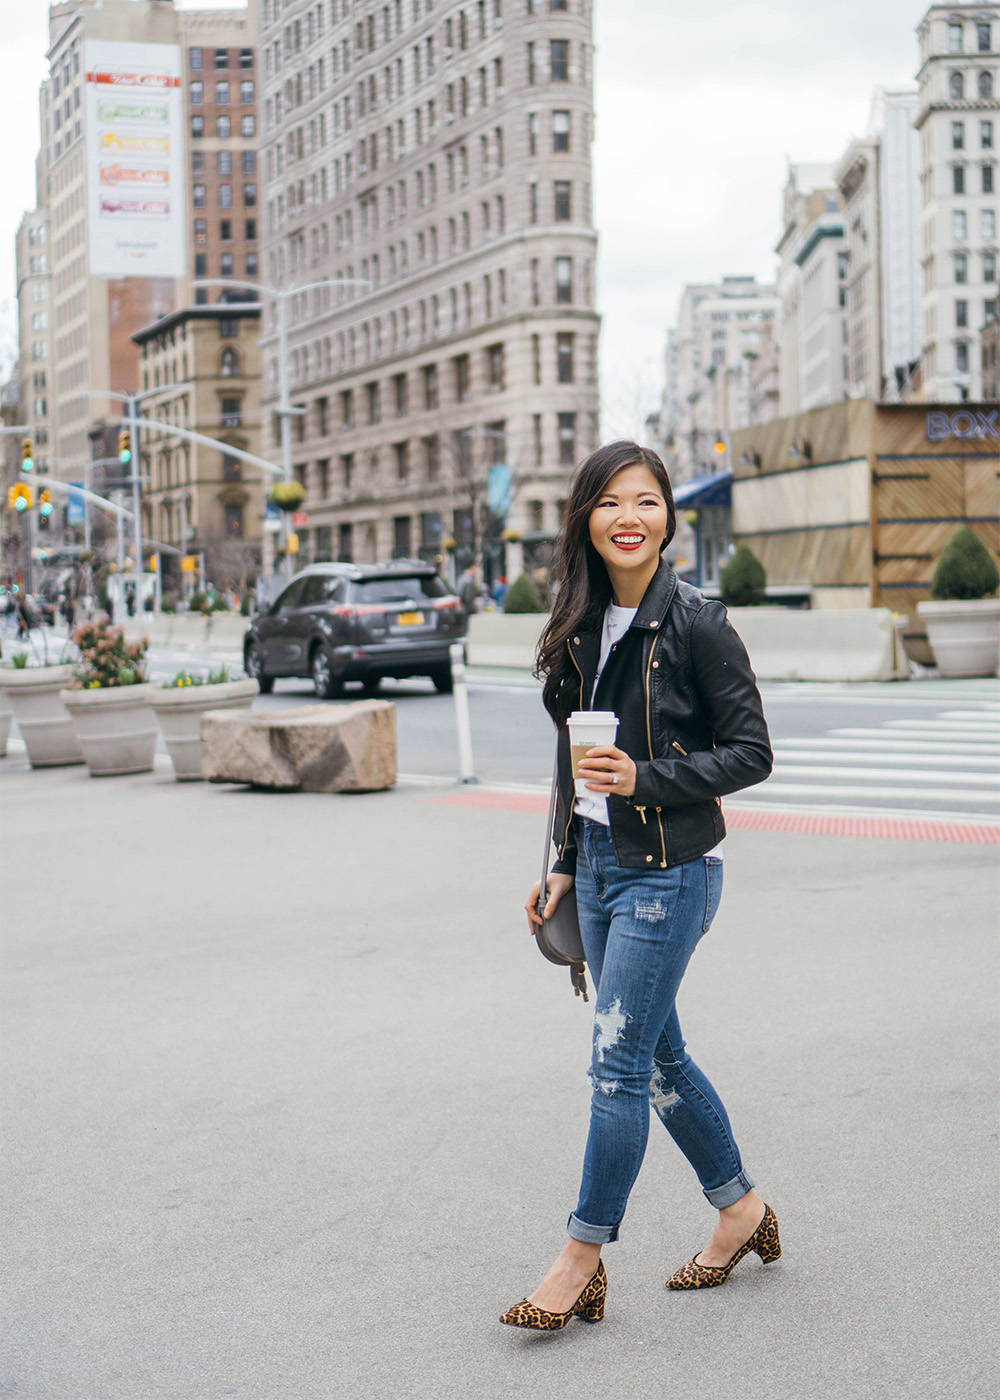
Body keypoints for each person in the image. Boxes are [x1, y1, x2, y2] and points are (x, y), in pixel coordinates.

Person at [504, 440, 776, 1332]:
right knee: (658, 1059)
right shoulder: (580, 624)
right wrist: (562, 860)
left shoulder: (697, 623)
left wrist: (645, 778)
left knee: (616, 1064)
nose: (630, 517)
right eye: (612, 501)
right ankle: (740, 1209)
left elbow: (752, 753)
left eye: (647, 501)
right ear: (586, 517)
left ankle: (579, 1259)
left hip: (669, 869)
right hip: (596, 865)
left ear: (668, 520)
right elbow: (571, 764)